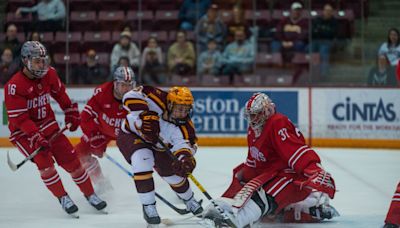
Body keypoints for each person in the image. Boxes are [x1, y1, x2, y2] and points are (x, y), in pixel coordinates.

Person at [203, 92, 338, 227]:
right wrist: (239, 188)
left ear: (266, 112)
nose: (252, 119)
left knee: (264, 195)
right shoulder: (253, 130)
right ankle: (228, 207)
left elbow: (296, 151)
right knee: (246, 181)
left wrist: (315, 170)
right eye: (250, 115)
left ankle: (238, 220)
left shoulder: (277, 122)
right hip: (272, 176)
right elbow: (253, 165)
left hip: (292, 179)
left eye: (255, 114)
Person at [4, 41, 107, 216]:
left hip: (49, 126)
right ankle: (63, 197)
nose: (42, 65)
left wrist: (70, 111)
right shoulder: (14, 87)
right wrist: (36, 137)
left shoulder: (49, 74)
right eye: (37, 61)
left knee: (73, 161)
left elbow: (60, 94)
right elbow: (21, 120)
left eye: (44, 60)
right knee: (45, 165)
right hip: (24, 134)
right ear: (25, 61)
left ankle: (90, 194)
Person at [116, 86, 203, 226]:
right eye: (179, 108)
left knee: (174, 175)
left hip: (159, 146)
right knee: (142, 158)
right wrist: (145, 114)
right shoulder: (155, 96)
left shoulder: (185, 128)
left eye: (186, 109)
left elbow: (184, 147)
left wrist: (185, 160)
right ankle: (148, 206)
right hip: (131, 136)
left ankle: (189, 200)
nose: (183, 113)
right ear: (170, 104)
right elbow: (129, 96)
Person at [74, 66, 135, 193]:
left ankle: (175, 183)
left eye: (130, 85)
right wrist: (94, 136)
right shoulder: (102, 93)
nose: (127, 89)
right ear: (115, 84)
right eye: (123, 85)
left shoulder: (137, 97)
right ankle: (102, 184)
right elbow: (85, 117)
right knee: (80, 152)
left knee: (147, 154)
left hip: (128, 134)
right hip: (103, 132)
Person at [311, 3, 338, 77]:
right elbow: (313, 32)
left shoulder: (334, 22)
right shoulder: (317, 19)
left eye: (329, 10)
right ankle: (312, 72)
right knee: (309, 49)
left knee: (324, 51)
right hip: (315, 41)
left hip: (327, 41)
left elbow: (332, 34)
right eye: (326, 10)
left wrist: (320, 31)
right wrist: (324, 32)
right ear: (323, 11)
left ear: (332, 12)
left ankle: (324, 74)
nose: (328, 12)